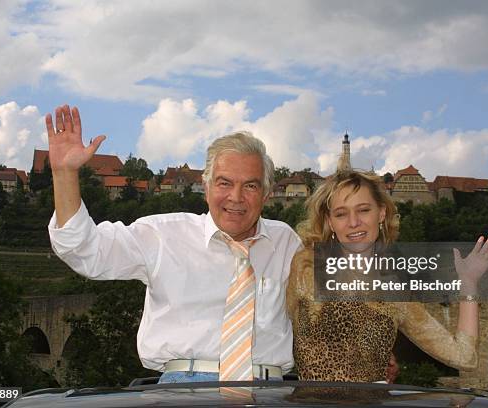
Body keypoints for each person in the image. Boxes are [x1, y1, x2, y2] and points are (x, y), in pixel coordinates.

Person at [46, 105, 302, 383]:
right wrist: (64, 174)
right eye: (224, 183)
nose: (236, 197)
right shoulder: (162, 235)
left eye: (250, 186)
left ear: (266, 194)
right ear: (206, 189)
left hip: (269, 390)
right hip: (184, 387)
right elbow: (85, 251)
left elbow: (343, 291)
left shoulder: (286, 241)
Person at [286, 170, 488, 382]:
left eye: (363, 210)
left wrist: (469, 283)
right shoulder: (304, 267)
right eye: (341, 213)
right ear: (330, 221)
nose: (353, 222)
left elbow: (464, 357)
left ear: (381, 213)